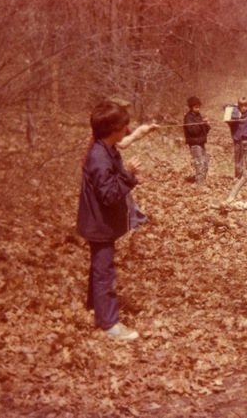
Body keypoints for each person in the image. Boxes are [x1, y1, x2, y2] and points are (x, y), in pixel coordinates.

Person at [77, 101, 141, 340]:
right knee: (104, 271)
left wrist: (129, 178)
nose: (128, 129)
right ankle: (109, 324)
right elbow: (109, 195)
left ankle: (95, 307)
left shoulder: (105, 148)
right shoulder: (100, 157)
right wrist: (128, 175)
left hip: (99, 222)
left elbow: (110, 184)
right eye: (125, 125)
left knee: (99, 266)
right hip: (99, 223)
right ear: (113, 129)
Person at [109, 97, 159, 230]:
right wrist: (143, 130)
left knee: (126, 193)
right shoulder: (107, 127)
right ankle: (131, 225)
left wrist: (147, 130)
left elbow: (129, 139)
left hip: (113, 163)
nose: (126, 114)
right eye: (122, 111)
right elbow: (123, 143)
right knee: (120, 195)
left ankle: (137, 219)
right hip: (102, 169)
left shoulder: (120, 125)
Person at [183, 96, 211, 185]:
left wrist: (206, 125)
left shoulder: (199, 116)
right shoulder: (188, 117)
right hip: (194, 143)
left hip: (201, 142)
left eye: (199, 107)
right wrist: (201, 124)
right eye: (196, 107)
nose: (198, 109)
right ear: (191, 107)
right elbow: (193, 131)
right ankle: (199, 183)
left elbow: (206, 131)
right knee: (199, 162)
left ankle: (203, 181)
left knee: (205, 162)